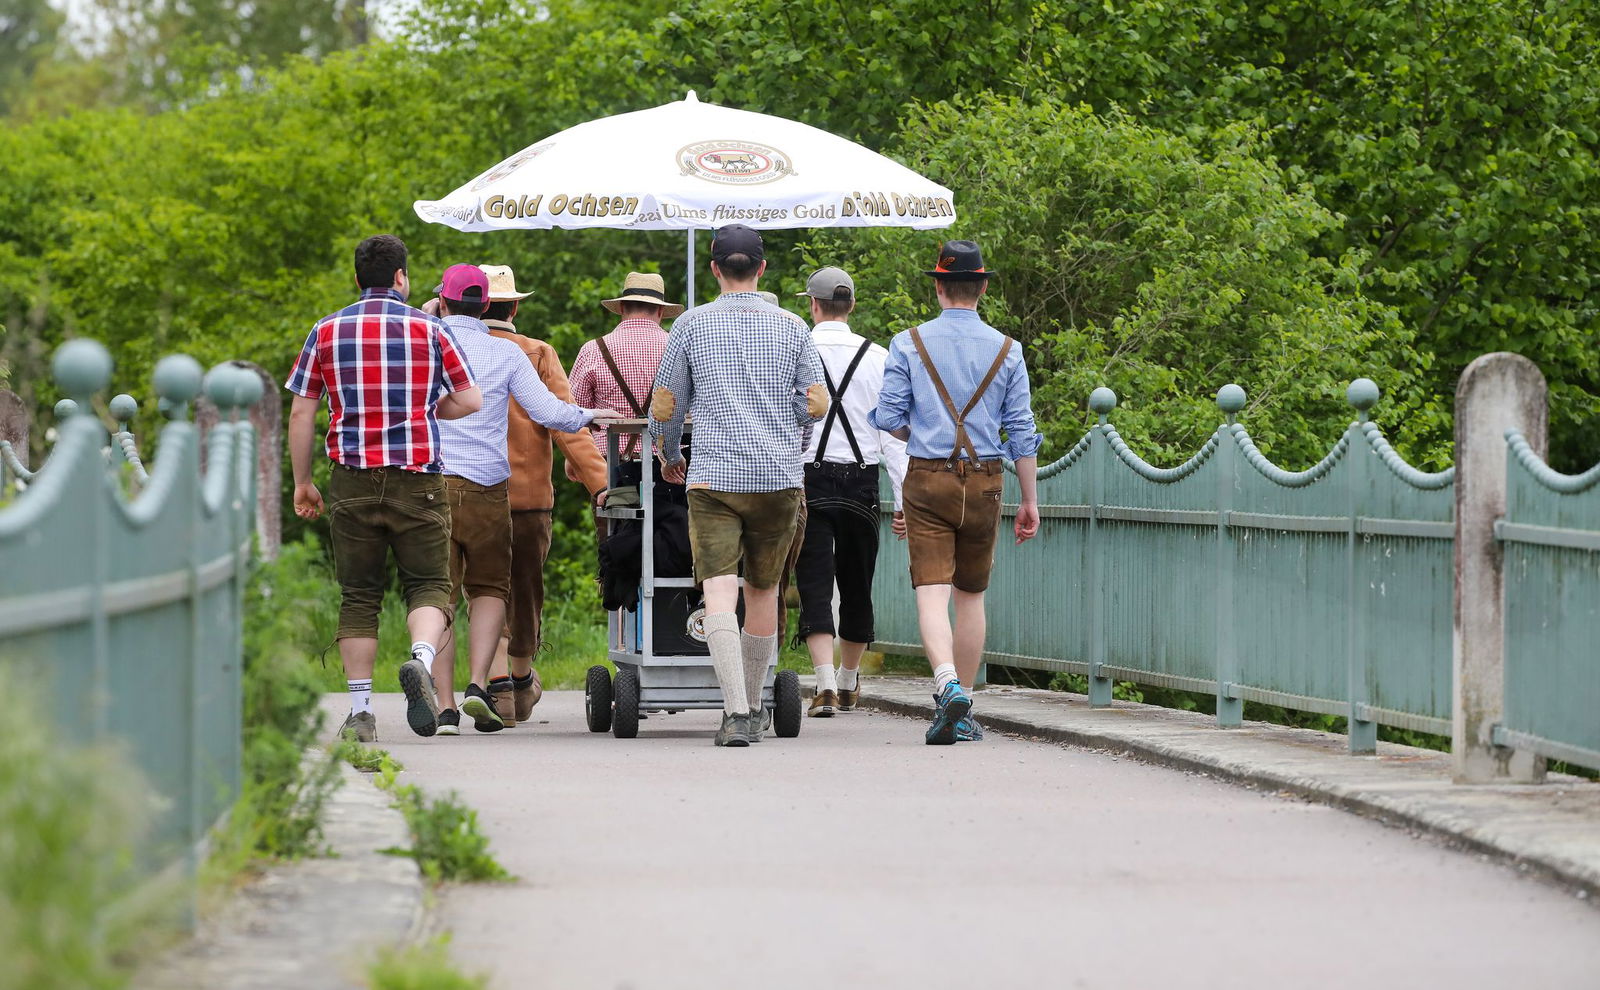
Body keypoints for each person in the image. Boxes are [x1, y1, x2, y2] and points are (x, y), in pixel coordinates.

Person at [285, 235, 482, 743]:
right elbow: (471, 400)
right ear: (401, 277)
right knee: (430, 585)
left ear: (357, 279)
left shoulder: (326, 330)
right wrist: (427, 410)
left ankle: (361, 713)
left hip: (351, 478)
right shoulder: (430, 329)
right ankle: (420, 659)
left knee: (359, 596)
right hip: (418, 479)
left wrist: (303, 482)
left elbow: (302, 411)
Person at [649, 224, 826, 747]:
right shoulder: (793, 326)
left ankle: (734, 714)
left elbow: (665, 405)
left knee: (719, 591)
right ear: (762, 269)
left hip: (713, 478)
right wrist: (790, 431)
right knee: (764, 590)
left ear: (714, 269)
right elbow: (815, 403)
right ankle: (753, 706)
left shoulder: (690, 324)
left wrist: (669, 455)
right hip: (778, 478)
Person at [869, 240, 1042, 745]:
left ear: (939, 288)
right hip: (986, 481)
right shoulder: (1008, 350)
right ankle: (964, 703)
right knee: (971, 596)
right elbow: (1022, 431)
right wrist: (1029, 500)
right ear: (982, 288)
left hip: (927, 478)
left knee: (931, 592)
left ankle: (945, 683)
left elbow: (888, 416)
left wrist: (923, 433)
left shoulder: (908, 343)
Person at [424, 264, 609, 734]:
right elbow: (554, 415)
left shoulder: (427, 340)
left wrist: (430, 313)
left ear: (443, 301)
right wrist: (597, 462)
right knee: (503, 591)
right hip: (503, 493)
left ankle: (444, 707)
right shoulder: (522, 352)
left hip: (434, 485)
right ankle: (490, 684)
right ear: (501, 306)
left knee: (440, 595)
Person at [791, 266, 907, 717]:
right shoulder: (880, 357)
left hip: (808, 479)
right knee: (858, 583)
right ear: (851, 305)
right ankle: (848, 680)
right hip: (862, 480)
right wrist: (903, 500)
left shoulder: (795, 350)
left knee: (815, 580)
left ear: (813, 305)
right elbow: (894, 438)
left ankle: (822, 683)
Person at [569, 272, 681, 481]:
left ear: (621, 308)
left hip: (608, 468)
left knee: (611, 504)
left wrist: (574, 459)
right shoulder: (679, 349)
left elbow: (575, 414)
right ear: (661, 310)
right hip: (671, 467)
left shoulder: (593, 349)